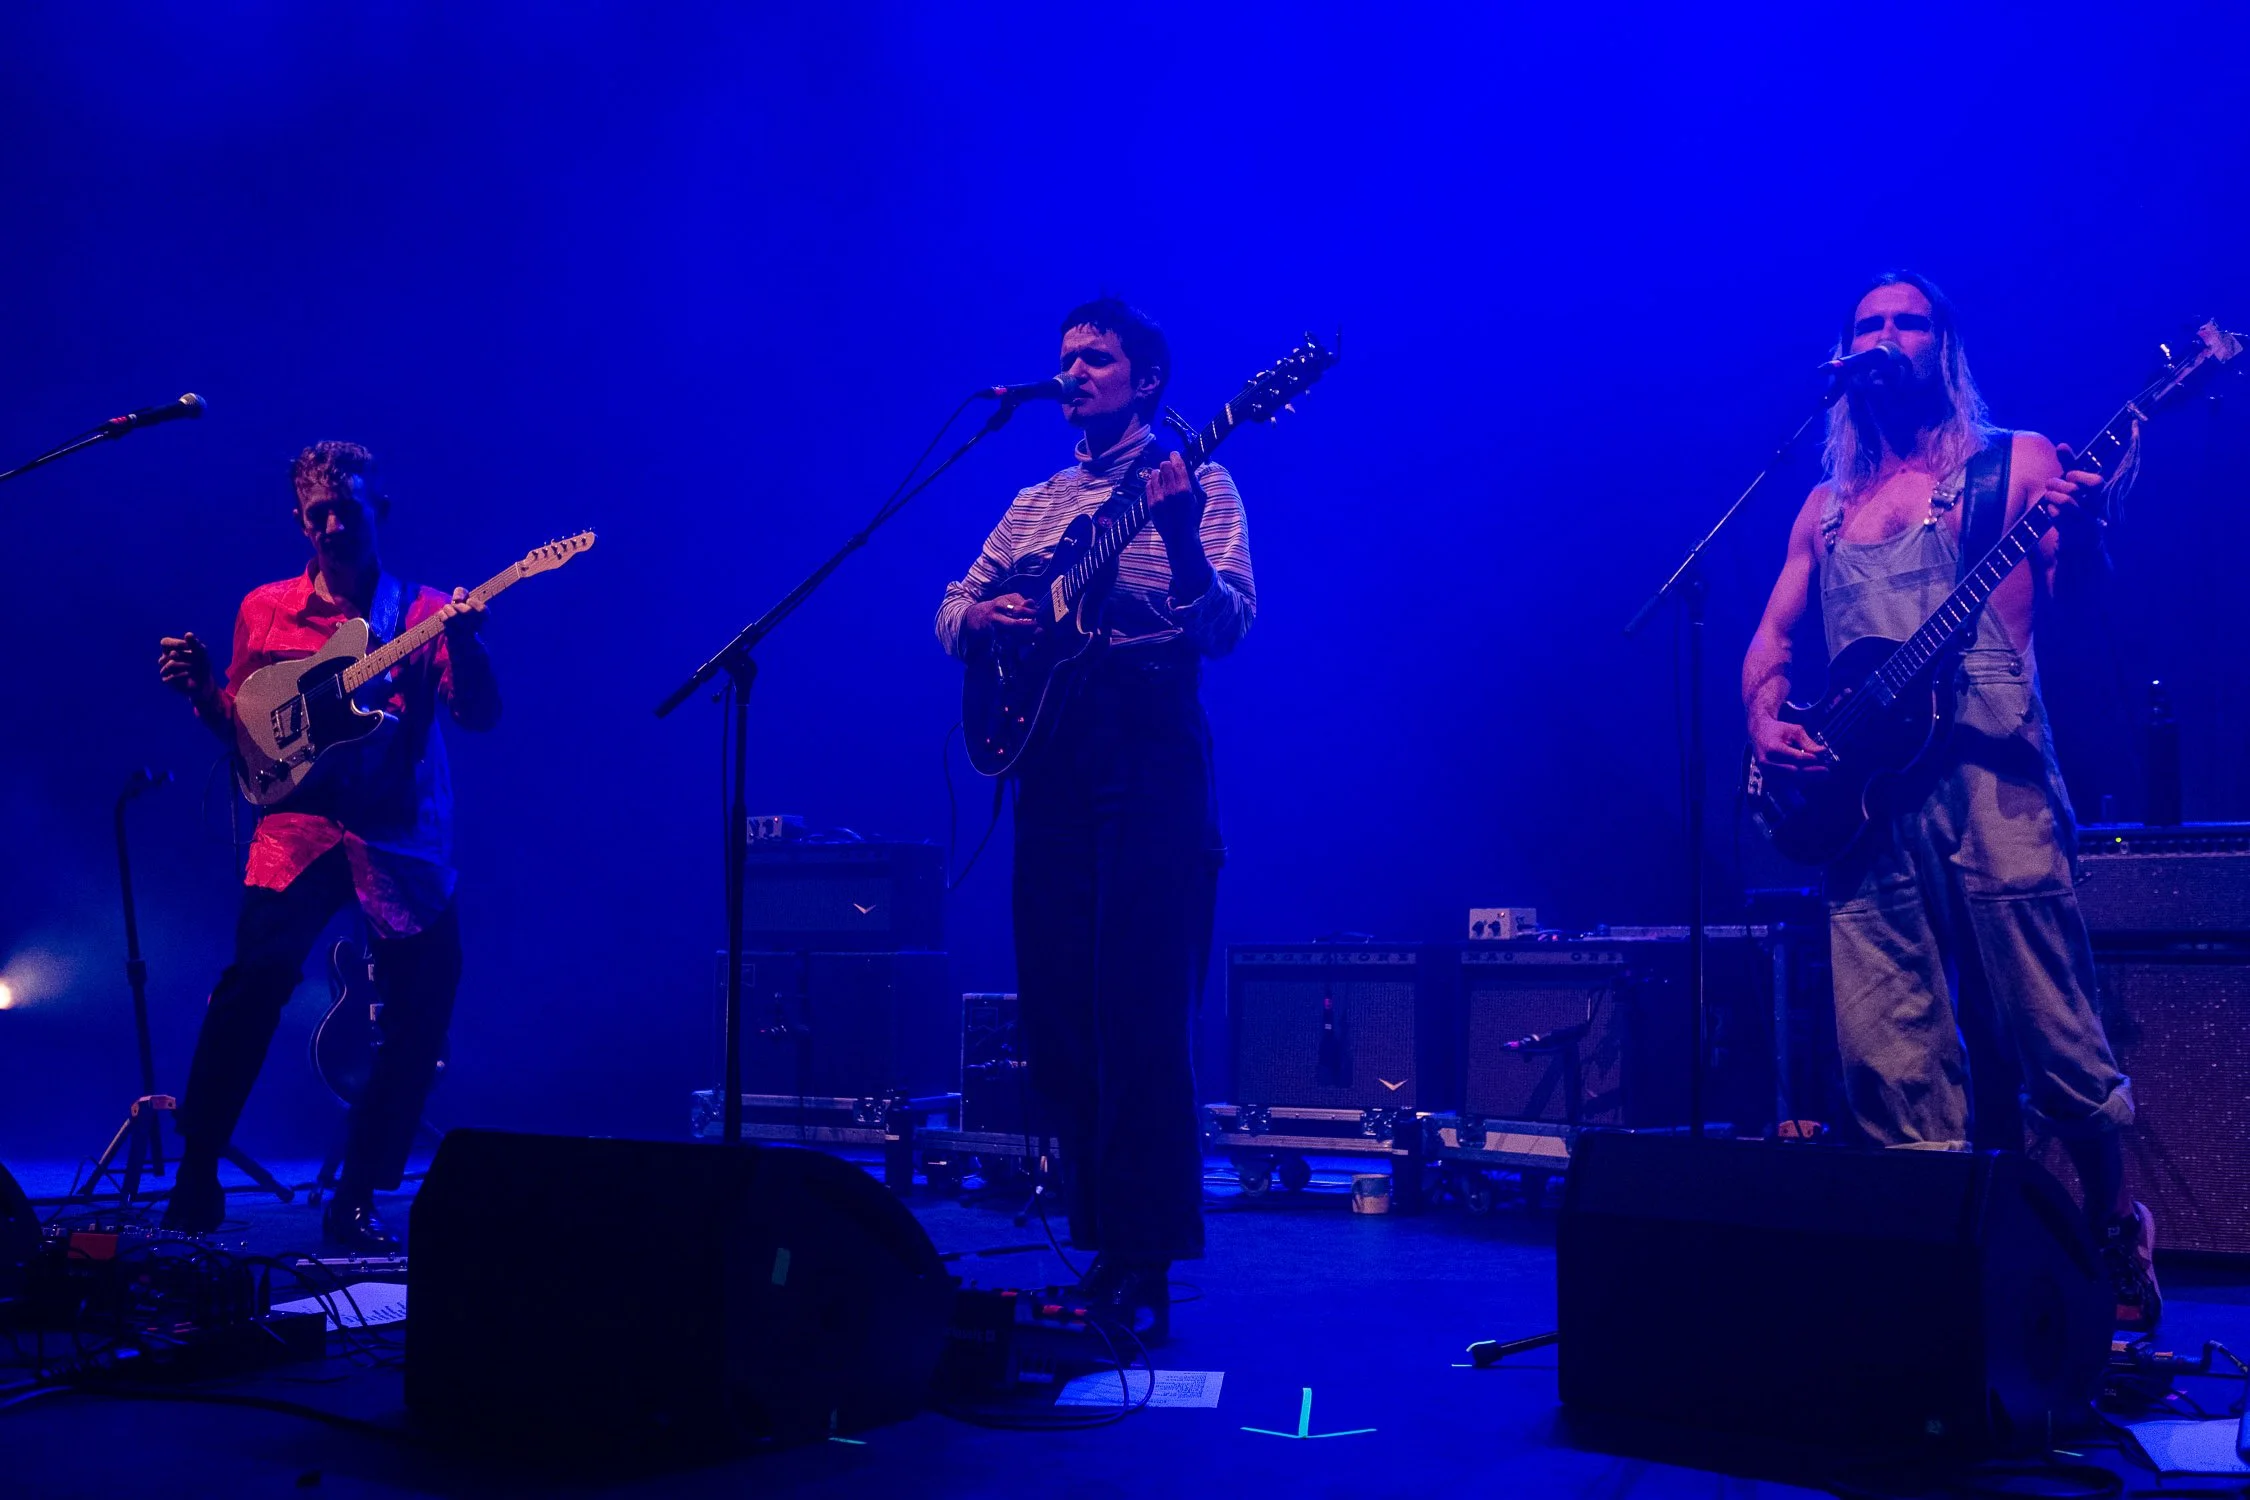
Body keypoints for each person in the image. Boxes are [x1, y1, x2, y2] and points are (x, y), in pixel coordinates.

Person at [1742, 271, 2159, 1331]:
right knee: (1889, 1051)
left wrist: (2088, 531)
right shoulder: (1825, 509)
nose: (1887, 337)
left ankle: (2116, 1227)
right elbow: (1771, 638)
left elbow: (2080, 600)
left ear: (1944, 345)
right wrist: (1765, 720)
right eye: (1868, 325)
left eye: (1908, 323)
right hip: (1865, 800)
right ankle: (1939, 1275)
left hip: (1993, 776)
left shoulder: (2016, 463)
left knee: (2052, 1029)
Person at [936, 299, 1255, 1340]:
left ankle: (1144, 1261)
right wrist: (982, 617)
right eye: (1067, 358)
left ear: (1146, 380)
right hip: (1054, 758)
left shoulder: (1199, 479)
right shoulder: (1035, 503)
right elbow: (949, 608)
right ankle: (1098, 1237)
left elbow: (1227, 629)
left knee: (1140, 1006)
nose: (1074, 372)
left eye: (1097, 358)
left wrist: (1182, 541)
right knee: (1060, 1007)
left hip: (1149, 743)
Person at [157, 441, 499, 1251]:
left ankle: (357, 1193)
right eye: (321, 515)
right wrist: (204, 692)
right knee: (252, 986)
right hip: (299, 828)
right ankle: (197, 1171)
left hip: (397, 831)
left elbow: (479, 716)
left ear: (380, 510)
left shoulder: (422, 612)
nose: (336, 526)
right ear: (301, 521)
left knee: (424, 1003)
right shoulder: (265, 609)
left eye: (349, 510)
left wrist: (467, 642)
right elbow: (248, 738)